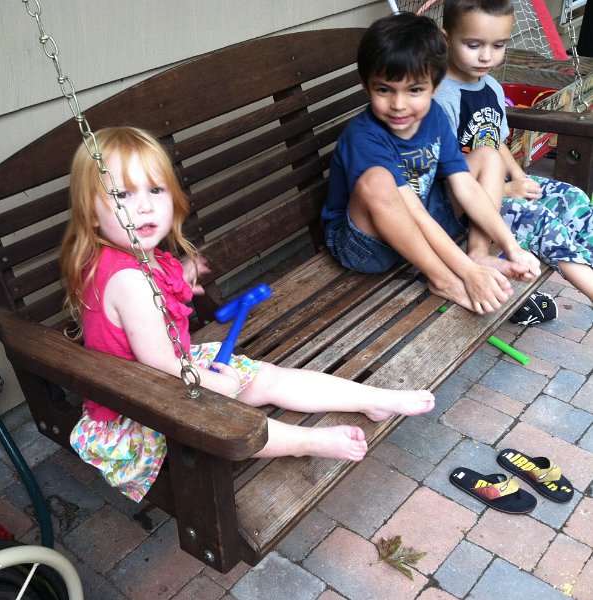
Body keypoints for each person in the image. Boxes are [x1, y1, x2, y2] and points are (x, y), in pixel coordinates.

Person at [58, 126, 436, 502]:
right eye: (122, 194)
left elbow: (143, 321)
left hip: (171, 370)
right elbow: (160, 364)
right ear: (92, 213)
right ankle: (305, 441)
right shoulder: (129, 281)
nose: (144, 206)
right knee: (224, 417)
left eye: (155, 190)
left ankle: (371, 398)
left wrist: (180, 281)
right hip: (141, 406)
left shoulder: (133, 256)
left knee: (265, 377)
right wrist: (217, 385)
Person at [320, 12, 541, 316]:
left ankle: (478, 253)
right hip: (366, 244)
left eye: (414, 90)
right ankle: (442, 280)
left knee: (488, 154)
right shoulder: (363, 137)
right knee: (376, 181)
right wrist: (464, 274)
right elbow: (412, 212)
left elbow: (464, 184)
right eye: (384, 89)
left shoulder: (434, 115)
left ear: (436, 86)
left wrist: (511, 246)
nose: (399, 104)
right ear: (366, 86)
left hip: (421, 219)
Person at [434, 0, 593, 304]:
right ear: (446, 39)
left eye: (498, 45)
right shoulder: (441, 98)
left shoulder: (491, 87)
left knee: (573, 198)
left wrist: (520, 177)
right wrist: (506, 190)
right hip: (465, 204)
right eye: (473, 45)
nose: (486, 56)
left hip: (499, 185)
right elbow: (446, 176)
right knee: (541, 221)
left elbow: (496, 141)